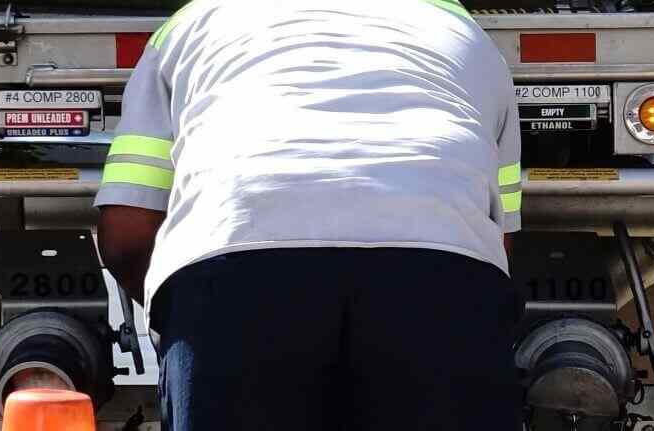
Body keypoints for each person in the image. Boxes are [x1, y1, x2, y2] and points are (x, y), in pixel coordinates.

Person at [92, 0, 522, 428]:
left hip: (233, 278)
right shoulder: (469, 35)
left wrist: (182, 322)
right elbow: (498, 243)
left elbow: (126, 232)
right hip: (444, 281)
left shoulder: (189, 26)